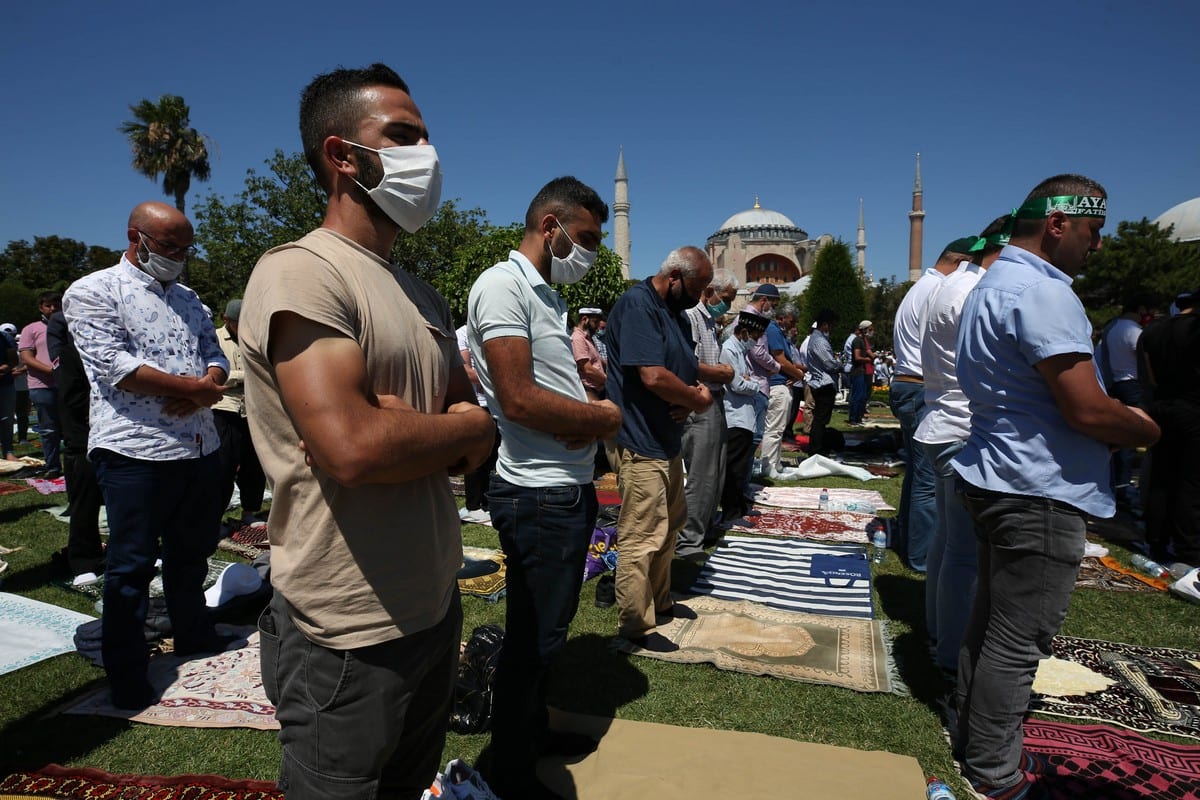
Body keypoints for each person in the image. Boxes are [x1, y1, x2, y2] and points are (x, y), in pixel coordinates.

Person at [239, 64, 496, 799]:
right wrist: (437, 428)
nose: (429, 157)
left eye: (427, 137)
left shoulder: (418, 291)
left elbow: (476, 426)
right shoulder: (303, 273)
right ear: (341, 155)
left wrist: (419, 425)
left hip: (432, 603)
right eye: (405, 136)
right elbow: (351, 449)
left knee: (409, 785)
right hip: (346, 626)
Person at [951, 176, 1160, 799]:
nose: (1098, 245)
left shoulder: (993, 283)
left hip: (997, 474)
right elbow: (1086, 410)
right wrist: (1147, 428)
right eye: (1094, 231)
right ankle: (995, 772)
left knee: (989, 624)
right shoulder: (1041, 293)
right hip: (1035, 487)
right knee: (1018, 640)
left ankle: (972, 738)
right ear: (1060, 225)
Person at [467, 176, 622, 799]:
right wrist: (603, 418)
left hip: (564, 486)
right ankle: (508, 766)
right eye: (584, 238)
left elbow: (545, 389)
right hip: (537, 492)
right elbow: (519, 400)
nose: (589, 252)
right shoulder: (503, 286)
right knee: (533, 638)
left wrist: (582, 396)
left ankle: (531, 733)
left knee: (545, 631)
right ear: (550, 225)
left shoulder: (545, 295)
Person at [63, 201, 232, 710]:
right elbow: (116, 364)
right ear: (136, 238)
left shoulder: (188, 297)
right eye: (169, 246)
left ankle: (193, 634)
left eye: (186, 248)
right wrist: (197, 388)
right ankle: (127, 669)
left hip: (200, 444)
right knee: (131, 567)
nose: (179, 256)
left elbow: (216, 354)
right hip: (136, 449)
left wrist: (210, 385)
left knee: (190, 554)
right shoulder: (92, 291)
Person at [915, 219, 1010, 682]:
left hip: (941, 419)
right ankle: (953, 652)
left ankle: (939, 632)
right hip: (961, 425)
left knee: (949, 541)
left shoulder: (946, 286)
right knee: (964, 550)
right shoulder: (973, 290)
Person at [607, 246, 713, 650]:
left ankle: (660, 600)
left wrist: (687, 399)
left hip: (665, 441)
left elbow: (681, 366)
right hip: (640, 441)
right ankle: (637, 624)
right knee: (641, 535)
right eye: (698, 286)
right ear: (674, 277)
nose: (701, 296)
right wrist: (696, 399)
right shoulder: (639, 305)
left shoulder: (676, 315)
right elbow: (651, 375)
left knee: (669, 527)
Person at [890, 241, 973, 572]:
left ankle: (909, 539)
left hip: (906, 383)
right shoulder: (940, 288)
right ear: (960, 262)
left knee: (917, 473)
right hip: (918, 385)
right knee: (928, 481)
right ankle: (922, 556)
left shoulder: (920, 288)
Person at [676, 270, 737, 560]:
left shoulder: (709, 320)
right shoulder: (691, 316)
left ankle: (706, 525)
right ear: (709, 291)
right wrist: (721, 373)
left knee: (716, 469)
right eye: (725, 299)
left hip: (714, 398)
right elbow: (689, 363)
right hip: (699, 401)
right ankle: (689, 539)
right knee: (701, 473)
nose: (725, 305)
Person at [1139, 289, 1200, 571]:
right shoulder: (1195, 331)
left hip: (1161, 405)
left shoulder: (1153, 331)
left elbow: (1148, 376)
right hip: (1193, 407)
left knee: (1160, 476)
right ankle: (1189, 550)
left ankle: (1157, 540)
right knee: (1190, 482)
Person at [46, 309, 105, 585]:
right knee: (85, 504)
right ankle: (84, 561)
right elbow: (73, 397)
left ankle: (134, 550)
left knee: (126, 503)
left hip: (111, 437)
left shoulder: (104, 352)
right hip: (82, 441)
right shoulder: (68, 355)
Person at [1096, 294, 1156, 510]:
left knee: (1116, 440)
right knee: (1134, 437)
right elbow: (1148, 358)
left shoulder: (1111, 328)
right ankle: (1124, 486)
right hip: (1133, 385)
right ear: (1141, 309)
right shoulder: (1134, 332)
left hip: (1114, 384)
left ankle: (1115, 483)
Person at [212, 299, 267, 526]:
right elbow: (216, 373)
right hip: (225, 409)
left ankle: (250, 511)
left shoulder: (254, 339)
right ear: (226, 320)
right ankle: (214, 516)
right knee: (223, 466)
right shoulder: (214, 338)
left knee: (254, 464)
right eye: (237, 323)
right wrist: (244, 376)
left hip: (252, 409)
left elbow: (264, 369)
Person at [718, 312, 769, 524]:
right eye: (755, 337)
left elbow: (742, 380)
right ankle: (731, 512)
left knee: (741, 467)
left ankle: (740, 506)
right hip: (735, 417)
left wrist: (748, 381)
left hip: (744, 416)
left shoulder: (740, 351)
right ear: (745, 332)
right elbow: (738, 384)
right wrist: (755, 385)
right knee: (734, 469)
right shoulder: (729, 350)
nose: (755, 342)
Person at [456, 322, 498, 526]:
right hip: (476, 402)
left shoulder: (489, 334)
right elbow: (466, 370)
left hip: (493, 403)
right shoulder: (462, 334)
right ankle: (473, 506)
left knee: (492, 457)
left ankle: (486, 502)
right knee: (476, 458)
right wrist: (496, 383)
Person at [740, 285, 782, 476]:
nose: (773, 307)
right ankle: (742, 484)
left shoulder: (751, 316)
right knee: (752, 438)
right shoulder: (752, 317)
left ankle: (743, 483)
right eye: (773, 303)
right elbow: (756, 351)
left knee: (752, 438)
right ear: (764, 300)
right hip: (756, 383)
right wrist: (776, 366)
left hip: (756, 383)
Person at [20, 293, 63, 477]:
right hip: (42, 386)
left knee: (72, 429)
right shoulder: (31, 329)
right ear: (41, 308)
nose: (52, 309)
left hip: (67, 385)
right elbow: (27, 358)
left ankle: (78, 468)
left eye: (55, 305)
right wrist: (51, 371)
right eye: (48, 306)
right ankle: (53, 467)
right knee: (49, 429)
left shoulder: (68, 324)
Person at [804, 310, 841, 456]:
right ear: (825, 325)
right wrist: (840, 365)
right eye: (832, 325)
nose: (832, 329)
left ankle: (817, 447)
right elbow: (829, 363)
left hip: (821, 382)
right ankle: (816, 449)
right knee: (820, 419)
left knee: (821, 418)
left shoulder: (818, 339)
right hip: (823, 383)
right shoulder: (819, 341)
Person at [571, 307, 608, 400]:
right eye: (595, 322)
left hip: (598, 389)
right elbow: (587, 369)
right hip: (590, 391)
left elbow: (598, 360)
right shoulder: (578, 338)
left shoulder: (588, 338)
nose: (597, 326)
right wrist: (608, 380)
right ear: (584, 319)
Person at [846, 320, 874, 425]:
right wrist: (867, 359)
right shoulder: (857, 341)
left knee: (861, 396)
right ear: (865, 329)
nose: (872, 331)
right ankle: (853, 419)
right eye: (870, 329)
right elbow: (857, 357)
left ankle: (858, 418)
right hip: (857, 371)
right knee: (857, 396)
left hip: (861, 371)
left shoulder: (862, 340)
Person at [0, 323, 18, 460]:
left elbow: (13, 360)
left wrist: (5, 367)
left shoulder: (6, 338)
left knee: (6, 419)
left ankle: (8, 451)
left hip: (4, 384)